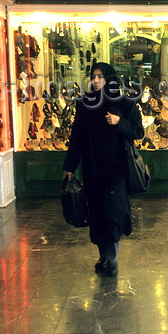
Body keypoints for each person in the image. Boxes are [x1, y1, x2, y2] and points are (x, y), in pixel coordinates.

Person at [63, 63, 144, 276]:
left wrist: (119, 122)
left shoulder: (125, 103)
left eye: (100, 77)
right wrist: (70, 166)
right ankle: (103, 256)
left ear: (110, 79)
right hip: (93, 167)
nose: (96, 81)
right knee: (97, 213)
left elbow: (138, 131)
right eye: (93, 77)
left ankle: (112, 258)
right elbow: (77, 138)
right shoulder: (85, 104)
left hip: (117, 168)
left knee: (113, 213)